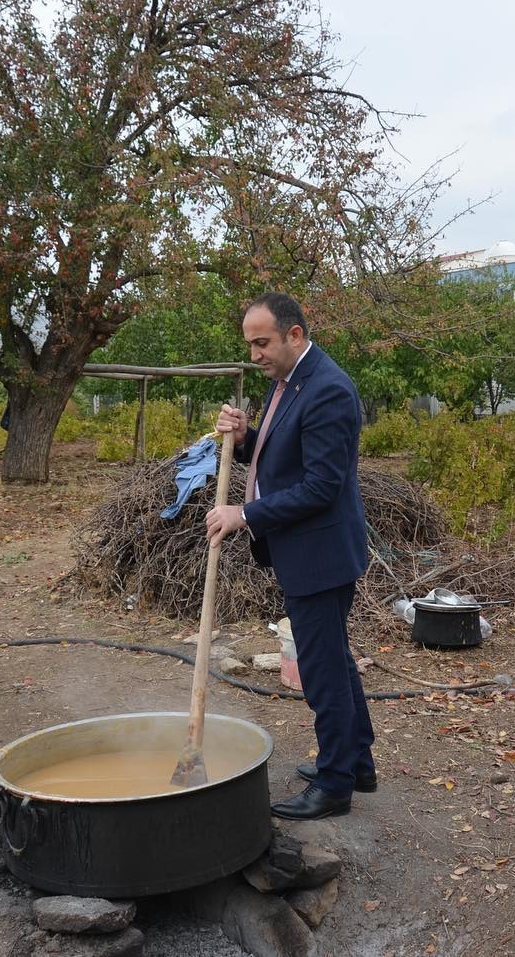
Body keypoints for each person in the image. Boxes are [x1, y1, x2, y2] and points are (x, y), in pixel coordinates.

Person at [205, 292, 374, 821]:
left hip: (320, 555)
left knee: (321, 669)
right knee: (334, 660)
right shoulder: (292, 382)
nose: (254, 354)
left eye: (262, 343)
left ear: (294, 335)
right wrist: (243, 437)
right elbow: (282, 454)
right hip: (307, 551)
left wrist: (245, 515)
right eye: (250, 343)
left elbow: (321, 486)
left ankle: (335, 783)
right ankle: (357, 762)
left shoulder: (328, 391)